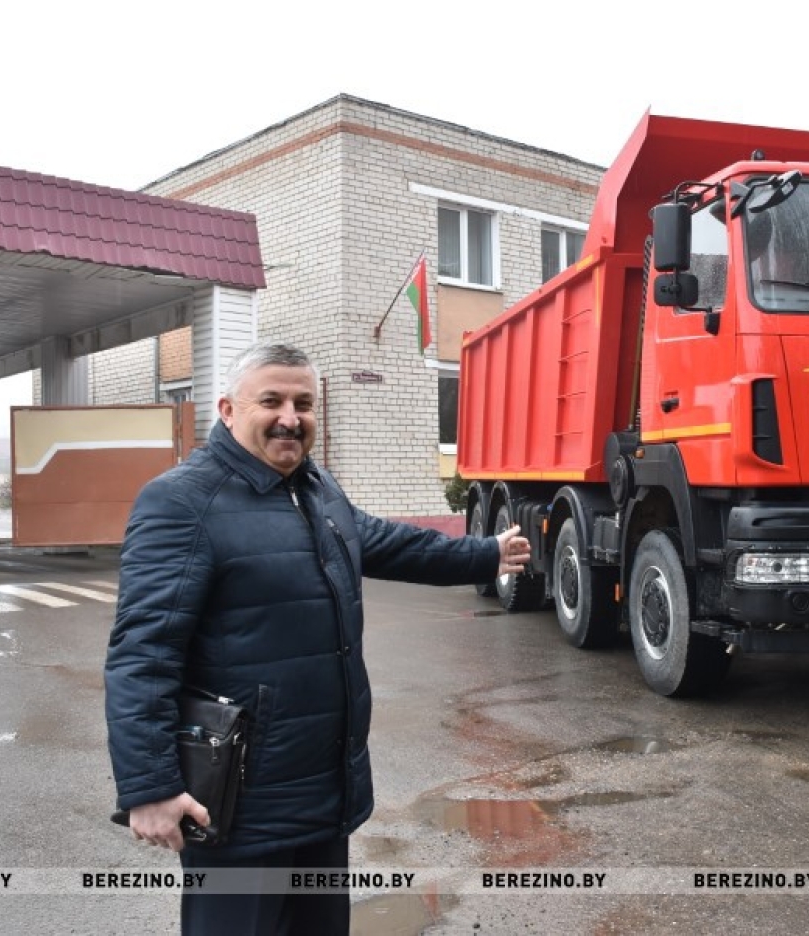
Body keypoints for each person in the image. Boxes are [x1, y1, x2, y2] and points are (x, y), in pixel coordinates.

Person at [104, 342, 530, 935]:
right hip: (241, 804)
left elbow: (391, 544)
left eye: (303, 403)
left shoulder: (315, 488)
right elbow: (143, 654)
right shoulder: (181, 502)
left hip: (324, 794)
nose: (290, 417)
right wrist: (150, 786)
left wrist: (485, 555)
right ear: (227, 410)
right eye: (271, 401)